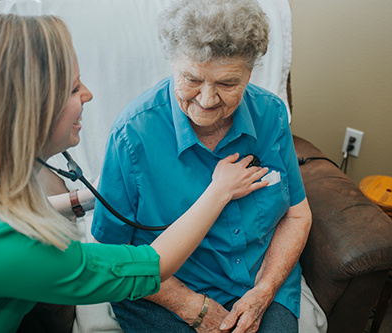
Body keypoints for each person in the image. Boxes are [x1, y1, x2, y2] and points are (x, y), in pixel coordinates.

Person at [0, 12, 268, 332]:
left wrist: (82, 200)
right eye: (74, 88)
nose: (88, 94)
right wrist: (219, 190)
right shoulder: (5, 249)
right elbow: (152, 265)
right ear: (31, 113)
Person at [91, 0, 313, 332]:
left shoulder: (271, 115)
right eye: (192, 79)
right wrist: (191, 306)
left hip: (258, 282)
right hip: (167, 290)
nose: (207, 100)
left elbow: (297, 214)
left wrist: (264, 291)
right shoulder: (133, 135)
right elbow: (111, 256)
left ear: (250, 72)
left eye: (227, 84)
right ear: (171, 62)